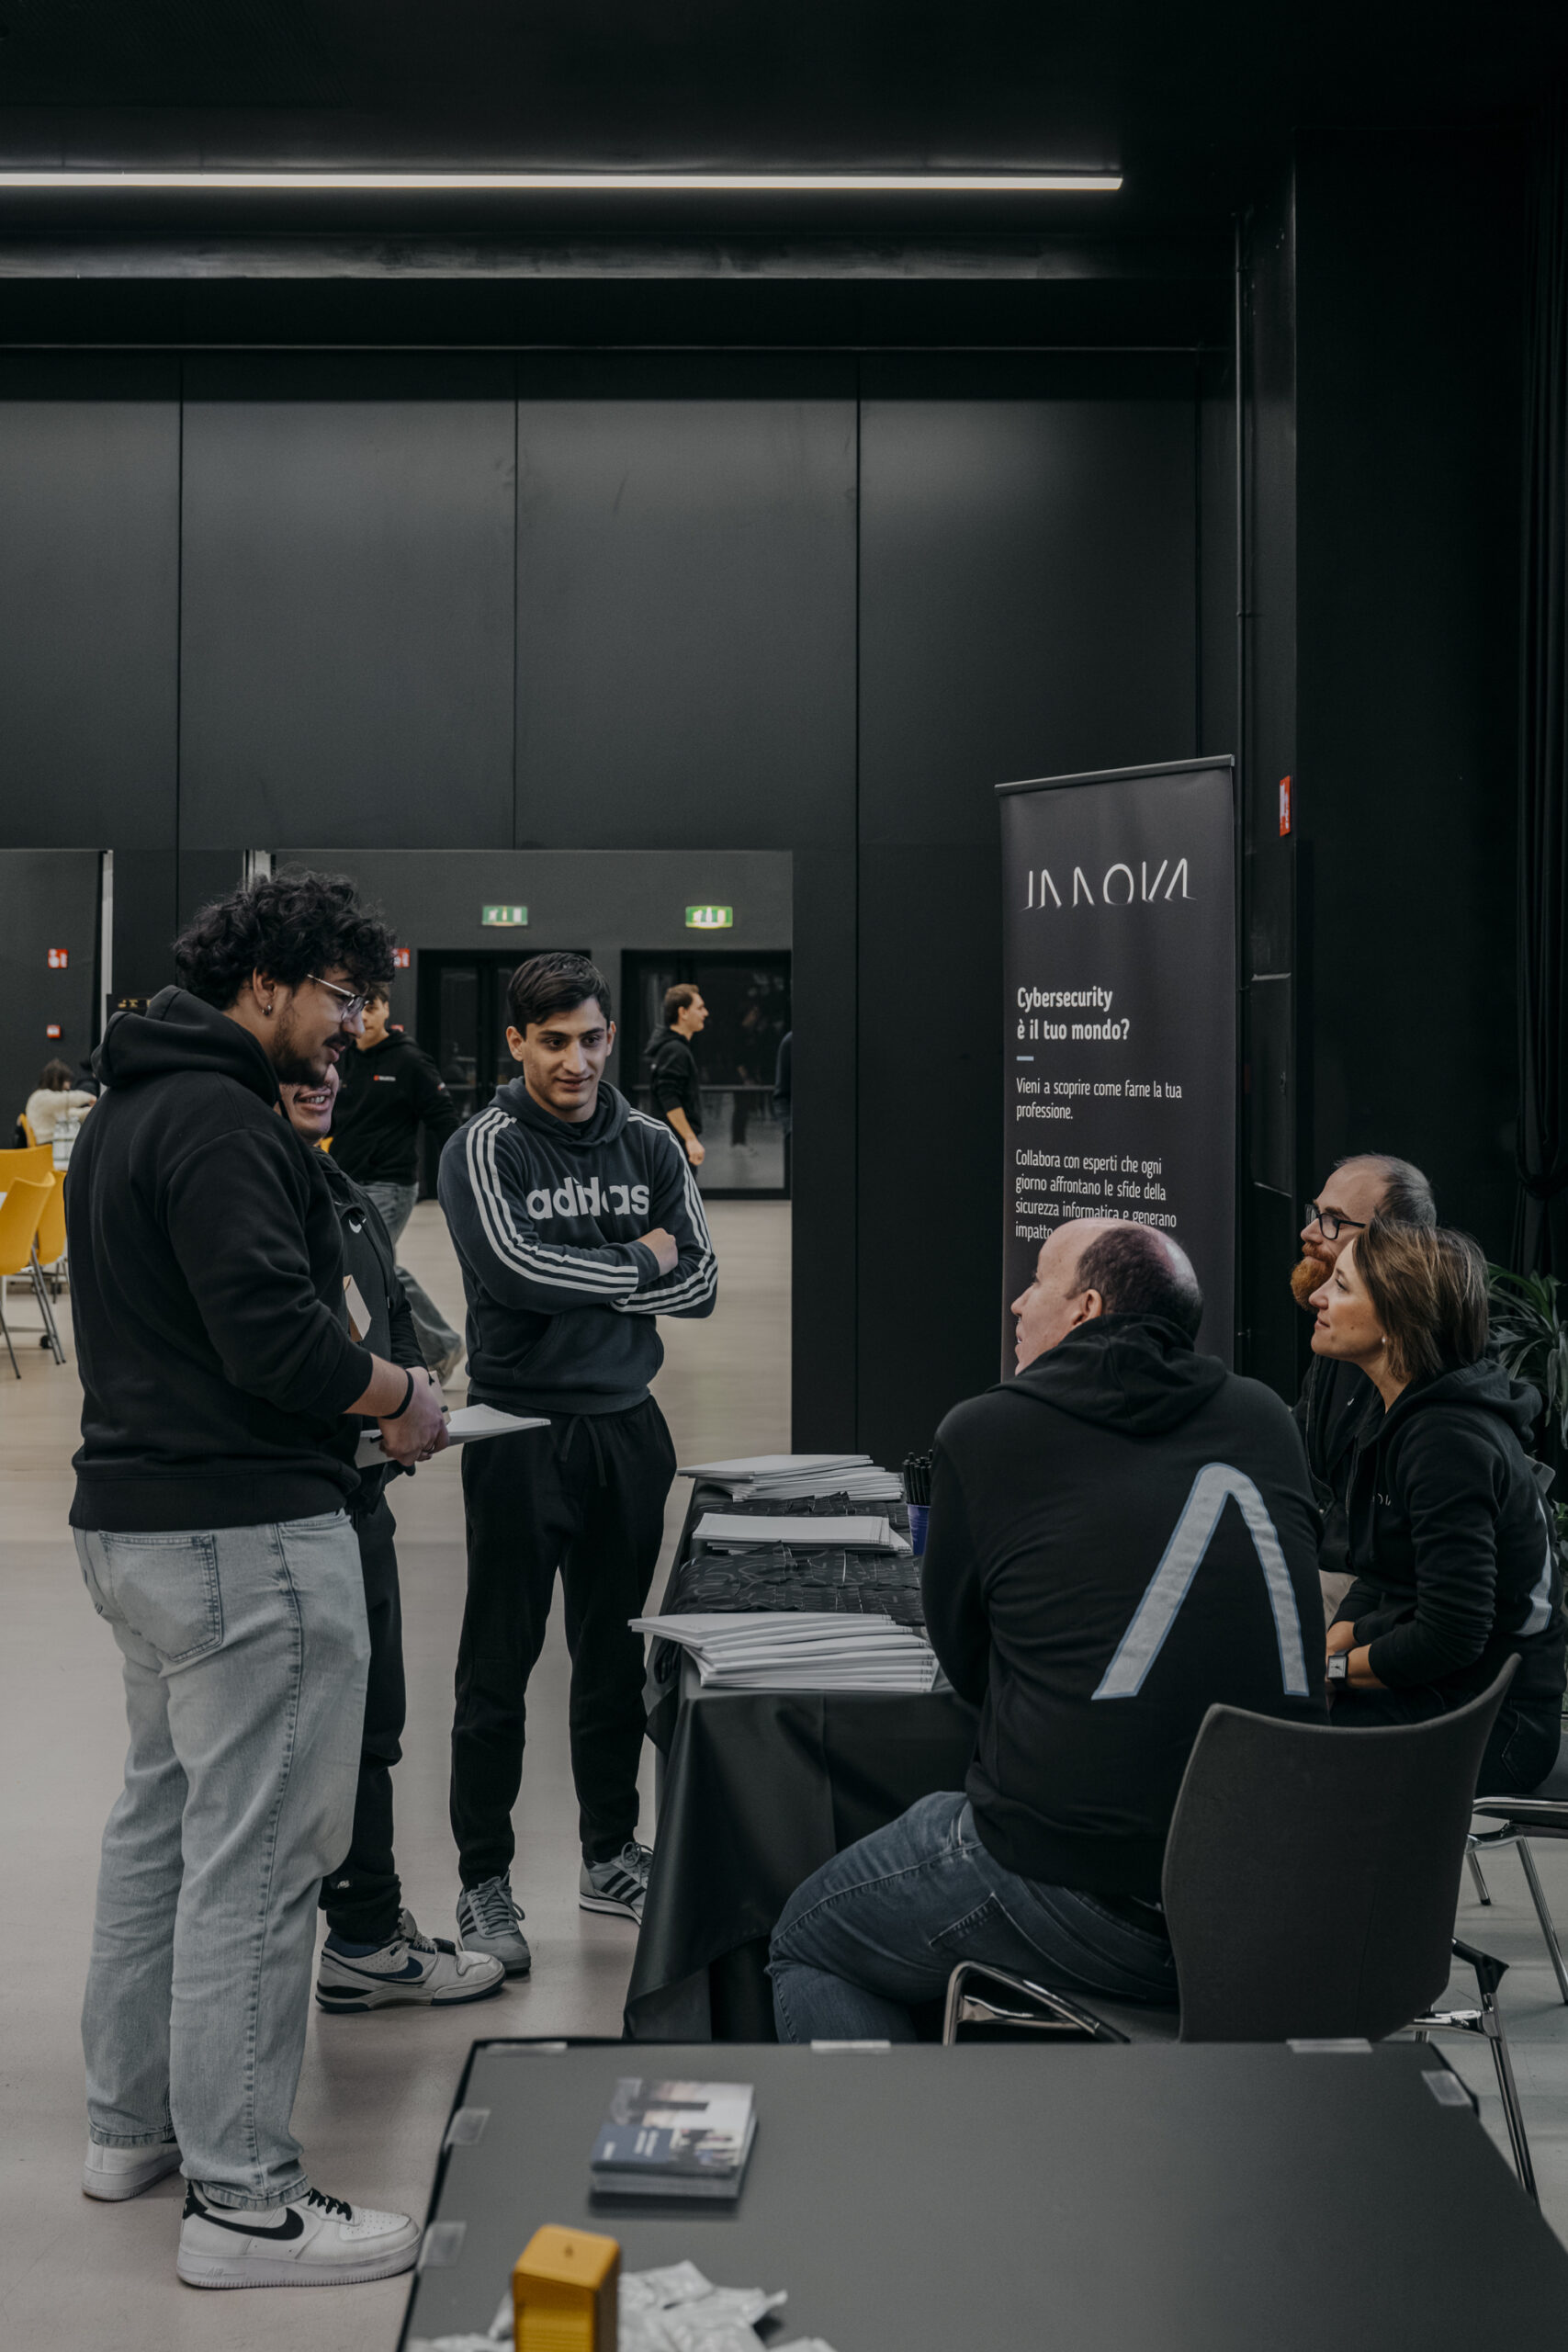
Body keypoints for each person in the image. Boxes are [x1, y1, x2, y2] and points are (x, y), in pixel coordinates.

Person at [69, 869, 447, 2291]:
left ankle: (133, 2129)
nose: (353, 1027)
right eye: (341, 998)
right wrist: (400, 1392)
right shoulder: (226, 1123)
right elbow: (277, 1339)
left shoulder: (128, 1106)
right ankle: (243, 2202)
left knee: (163, 1829)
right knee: (260, 1859)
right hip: (244, 1542)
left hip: (140, 1529)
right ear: (268, 983)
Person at [768, 1216, 1325, 2041]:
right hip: (1277, 1897)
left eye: (1036, 1282)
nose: (1016, 1304)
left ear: (1085, 1308)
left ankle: (887, 2128)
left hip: (1085, 1885)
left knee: (808, 1940)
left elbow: (967, 1665)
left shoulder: (984, 1430)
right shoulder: (1263, 1417)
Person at [439, 952, 717, 1973]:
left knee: (611, 1659)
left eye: (591, 1038)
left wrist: (587, 1280)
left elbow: (704, 1283)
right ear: (517, 1041)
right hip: (517, 1434)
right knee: (497, 1665)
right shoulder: (485, 1146)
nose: (576, 1061)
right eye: (553, 1041)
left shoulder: (648, 1140)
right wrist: (640, 1256)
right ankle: (483, 1881)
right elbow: (514, 1271)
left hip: (627, 1430)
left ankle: (609, 1856)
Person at [278, 1063, 504, 2014]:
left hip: (360, 1492)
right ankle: (356, 1934)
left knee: (374, 1724)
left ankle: (366, 1933)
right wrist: (392, 1400)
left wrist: (409, 1389)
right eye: (299, 1070)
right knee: (325, 1742)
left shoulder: (337, 1186)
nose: (325, 1078)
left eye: (331, 1067)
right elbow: (285, 1345)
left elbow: (394, 1317)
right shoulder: (259, 1185)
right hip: (304, 1504)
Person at [1309, 1218, 1566, 1792]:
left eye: (1342, 1286)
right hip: (1440, 1691)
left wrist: (1332, 1672)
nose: (1318, 1297)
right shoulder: (1398, 1408)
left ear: (1396, 1321)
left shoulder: (1446, 1440)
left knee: (1273, 1752)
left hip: (1493, 1724)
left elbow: (1453, 1634)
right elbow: (1382, 1572)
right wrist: (1328, 1650)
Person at [1292, 1155, 1437, 1617]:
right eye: (1316, 1213)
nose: (1309, 1232)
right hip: (1328, 1565)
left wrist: (1349, 1648)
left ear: (1395, 1247)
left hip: (1371, 1590)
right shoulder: (1338, 1343)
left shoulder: (1436, 1400)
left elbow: (1441, 1608)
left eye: (1333, 1220)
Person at [330, 985, 464, 1377]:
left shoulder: (409, 1060)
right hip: (347, 1180)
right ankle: (441, 1345)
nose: (365, 1016)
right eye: (358, 1008)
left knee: (369, 1262)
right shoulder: (341, 1055)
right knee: (377, 1264)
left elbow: (445, 1120)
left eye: (373, 1007)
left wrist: (461, 1176)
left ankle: (437, 1346)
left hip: (391, 1183)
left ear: (387, 1010)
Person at [642, 982, 706, 1168]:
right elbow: (668, 1095)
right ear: (683, 1012)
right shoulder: (675, 1050)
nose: (705, 1013)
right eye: (700, 1008)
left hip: (670, 1143)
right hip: (674, 1144)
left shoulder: (673, 1048)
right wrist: (690, 1139)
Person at [24, 1055, 96, 1145]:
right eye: (67, 1081)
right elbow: (66, 1099)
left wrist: (92, 1111)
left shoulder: (49, 1102)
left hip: (52, 1144)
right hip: (47, 1145)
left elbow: (72, 1114)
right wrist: (89, 1098)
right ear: (57, 1079)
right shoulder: (40, 1097)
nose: (68, 1086)